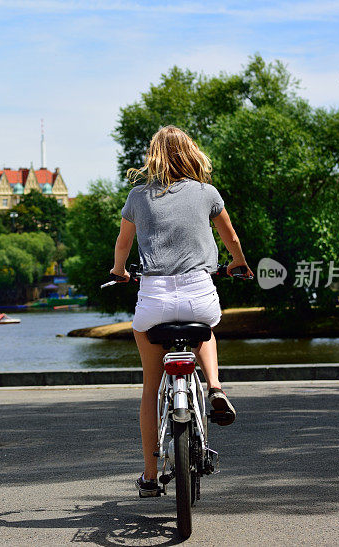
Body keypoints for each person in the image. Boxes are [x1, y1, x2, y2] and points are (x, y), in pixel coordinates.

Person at [109, 125, 253, 497]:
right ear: (190, 153)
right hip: (199, 292)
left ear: (154, 156)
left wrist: (120, 272)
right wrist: (238, 263)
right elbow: (231, 237)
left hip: (153, 298)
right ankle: (216, 386)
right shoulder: (207, 193)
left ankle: (150, 475)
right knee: (206, 326)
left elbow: (123, 244)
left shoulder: (138, 196)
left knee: (150, 387)